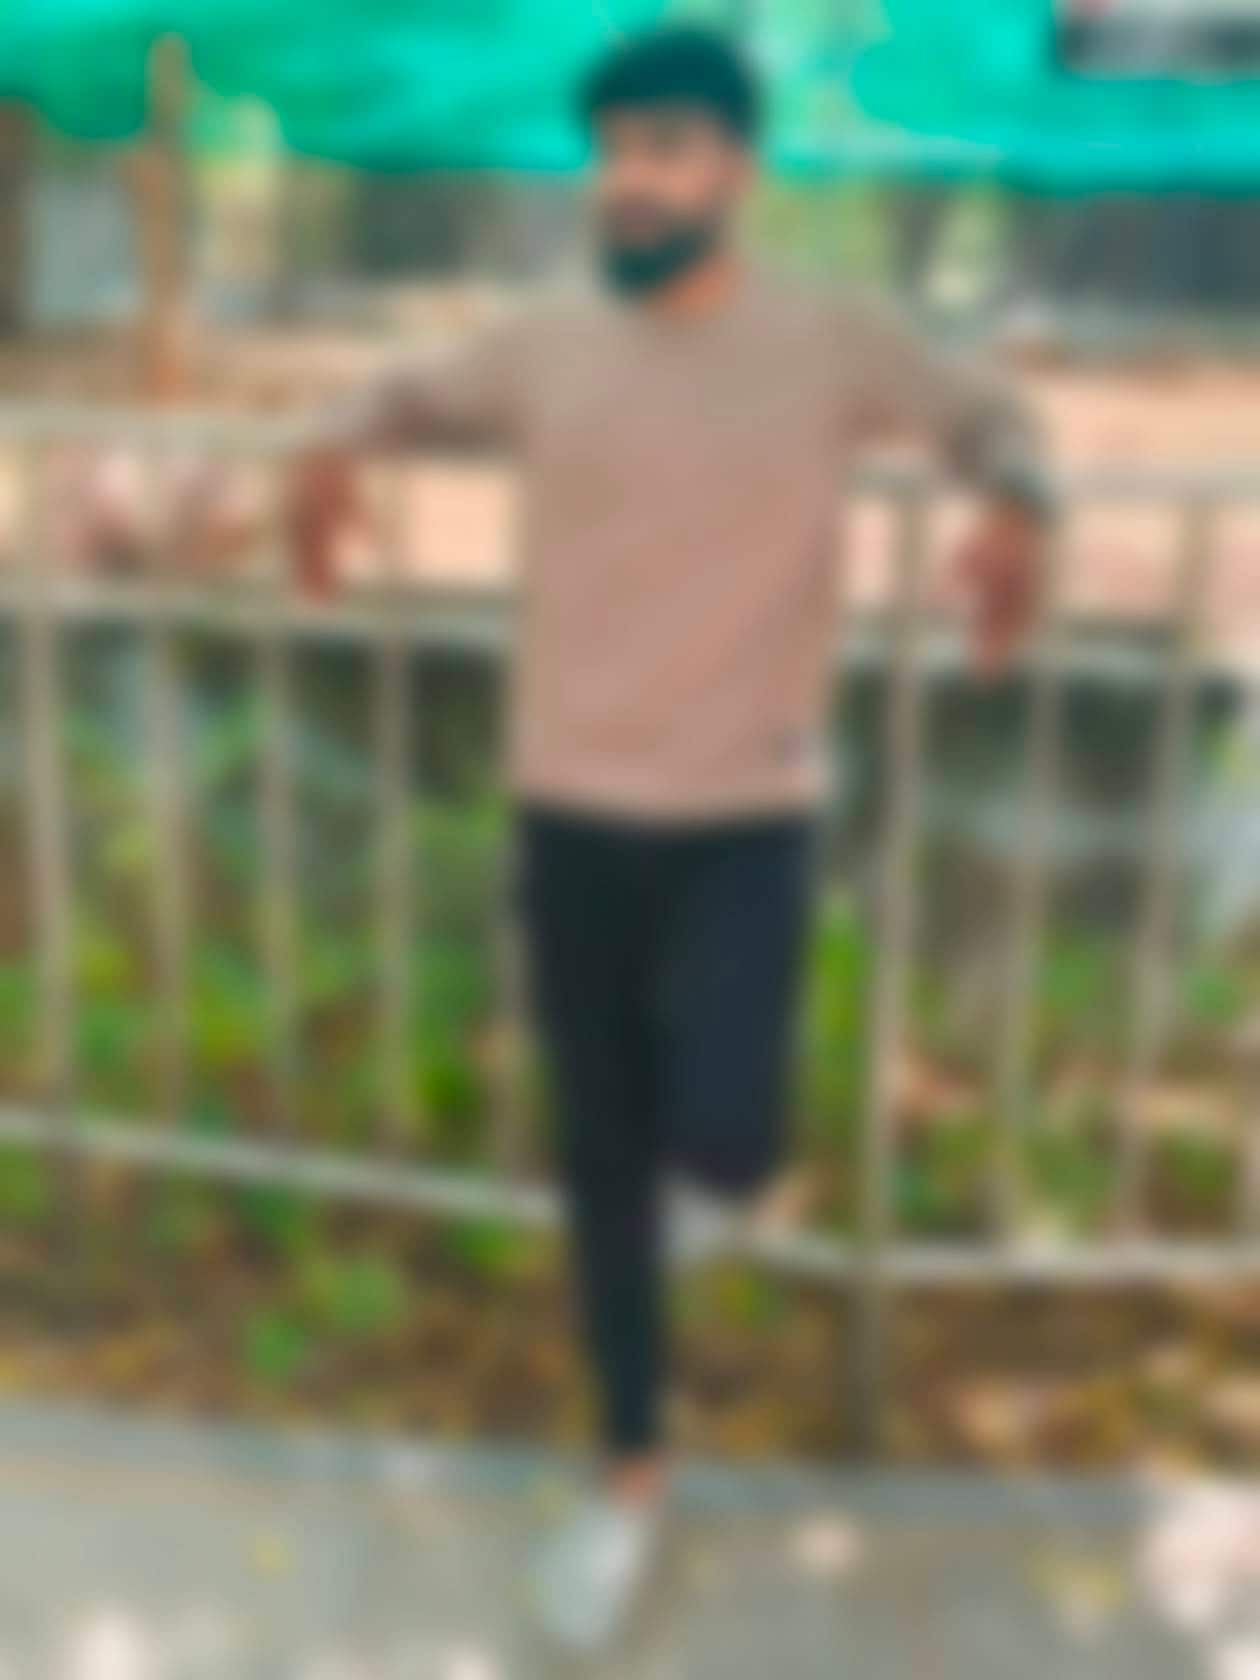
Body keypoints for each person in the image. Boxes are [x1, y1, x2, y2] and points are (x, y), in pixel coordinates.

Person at [289, 26, 1055, 1653]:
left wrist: (1023, 502)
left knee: (722, 1134)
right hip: (569, 809)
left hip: (743, 816)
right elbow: (407, 391)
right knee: (601, 1165)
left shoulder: (829, 335)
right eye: (617, 149)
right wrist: (326, 437)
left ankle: (702, 1205)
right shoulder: (547, 339)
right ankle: (630, 1474)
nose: (633, 180)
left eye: (670, 148)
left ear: (736, 171)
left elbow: (986, 413)